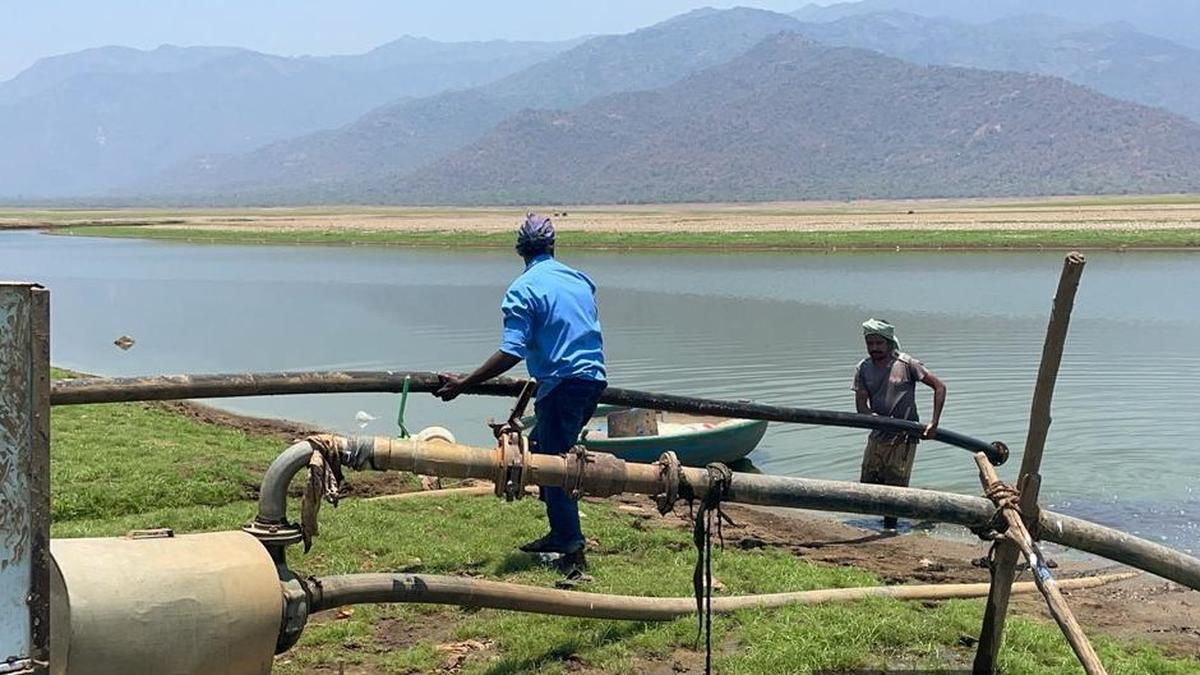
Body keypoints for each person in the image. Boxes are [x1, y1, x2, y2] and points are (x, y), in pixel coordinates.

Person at [435, 213, 606, 570]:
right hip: (593, 381)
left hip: (561, 385)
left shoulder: (523, 289)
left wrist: (464, 384)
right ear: (552, 247)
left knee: (555, 466)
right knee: (543, 448)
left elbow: (512, 351)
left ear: (519, 251)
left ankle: (571, 549)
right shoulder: (579, 279)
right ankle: (561, 532)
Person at [851, 318, 946, 531]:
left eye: (879, 343)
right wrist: (874, 418)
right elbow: (861, 406)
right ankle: (881, 522)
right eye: (870, 343)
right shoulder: (863, 368)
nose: (874, 348)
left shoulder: (906, 364)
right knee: (868, 484)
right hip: (878, 435)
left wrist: (934, 422)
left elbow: (939, 387)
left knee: (896, 487)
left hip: (904, 438)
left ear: (889, 342)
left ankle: (890, 528)